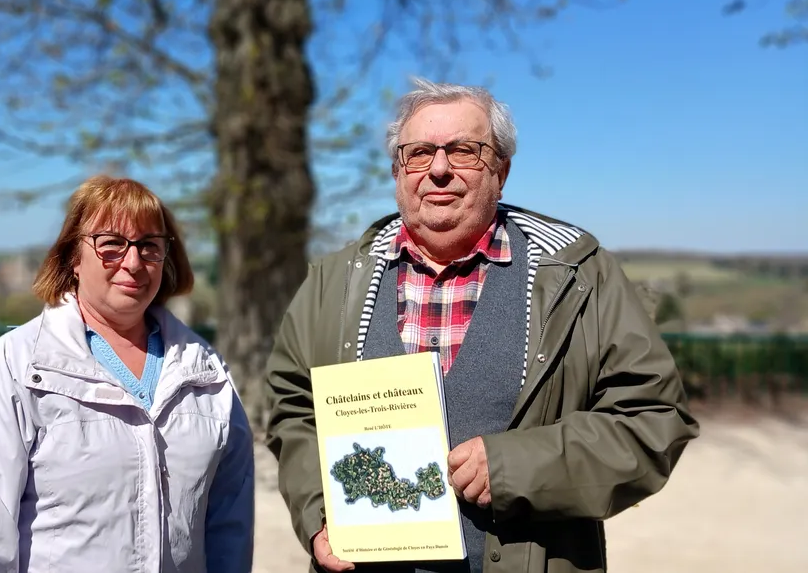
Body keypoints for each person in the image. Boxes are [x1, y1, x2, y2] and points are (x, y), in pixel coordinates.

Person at [264, 79, 700, 573]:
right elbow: (293, 409)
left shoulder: (578, 275)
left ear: (502, 170)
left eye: (464, 151)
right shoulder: (334, 283)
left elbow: (654, 419)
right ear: (397, 171)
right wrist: (320, 513)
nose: (440, 170)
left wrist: (519, 468)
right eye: (420, 153)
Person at [0, 175, 255, 573]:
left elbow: (228, 528)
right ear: (72, 259)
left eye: (149, 246)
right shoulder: (14, 369)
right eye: (111, 243)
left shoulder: (207, 373)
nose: (133, 262)